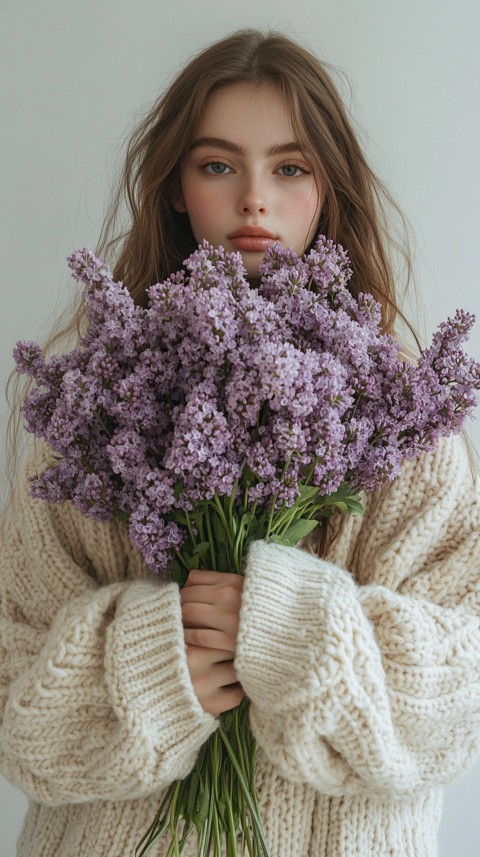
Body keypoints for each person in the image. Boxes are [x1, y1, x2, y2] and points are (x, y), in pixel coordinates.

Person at [1, 28, 480, 857]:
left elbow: (458, 702)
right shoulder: (90, 420)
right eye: (217, 164)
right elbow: (15, 707)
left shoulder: (408, 430)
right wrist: (154, 659)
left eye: (289, 168)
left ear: (327, 189)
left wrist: (296, 627)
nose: (254, 199)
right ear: (178, 187)